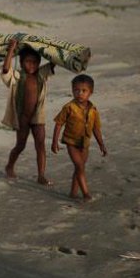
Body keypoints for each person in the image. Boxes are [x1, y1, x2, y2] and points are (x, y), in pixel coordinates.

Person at [0, 39, 55, 184]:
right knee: (20, 145)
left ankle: (41, 175)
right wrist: (11, 49)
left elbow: (54, 61)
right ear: (21, 61)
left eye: (35, 62)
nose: (31, 65)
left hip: (38, 116)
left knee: (40, 144)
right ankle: (9, 166)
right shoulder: (17, 76)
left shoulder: (41, 74)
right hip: (22, 117)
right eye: (28, 62)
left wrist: (50, 48)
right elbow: (6, 69)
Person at [51, 74, 107, 202]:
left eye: (84, 91)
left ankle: (73, 193)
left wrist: (101, 144)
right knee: (80, 166)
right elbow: (59, 124)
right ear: (72, 91)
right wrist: (54, 142)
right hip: (71, 142)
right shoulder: (69, 107)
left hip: (85, 143)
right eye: (76, 90)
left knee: (79, 168)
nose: (80, 93)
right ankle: (86, 193)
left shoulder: (93, 110)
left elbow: (96, 128)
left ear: (90, 92)